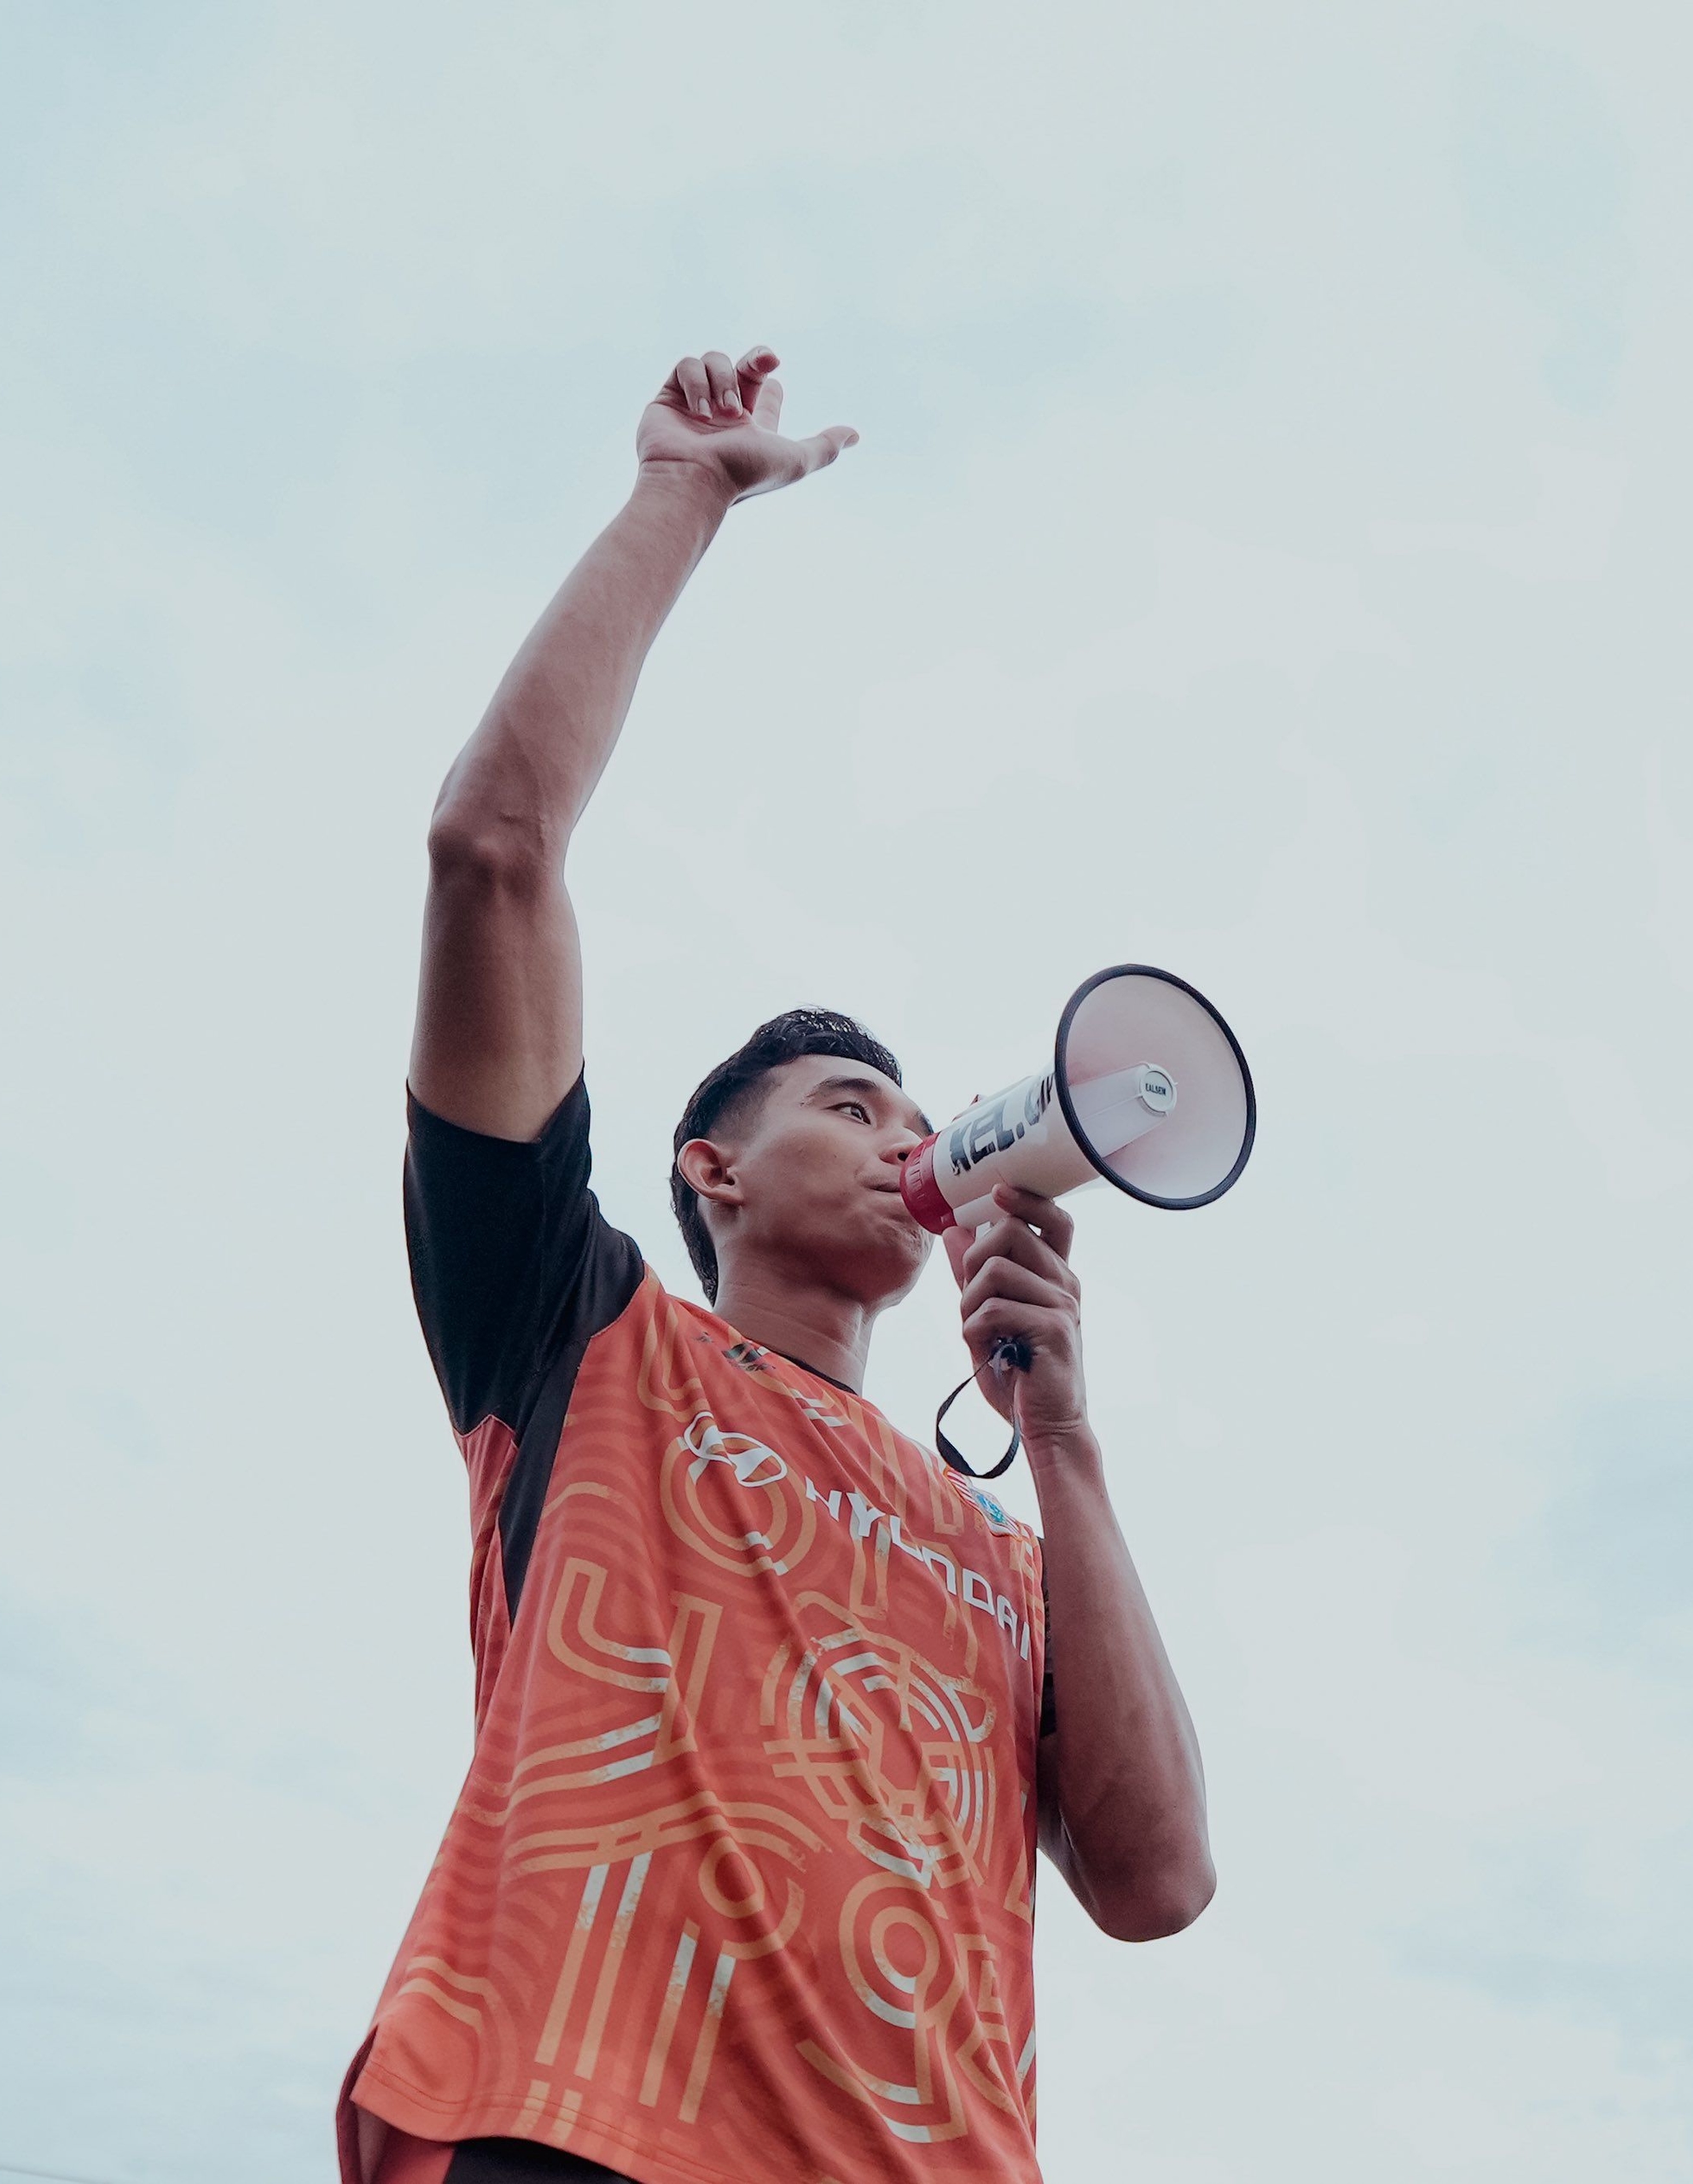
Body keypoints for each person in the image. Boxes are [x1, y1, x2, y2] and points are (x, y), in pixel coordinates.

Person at [338, 347, 1214, 2184]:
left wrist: (1062, 1442)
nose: (912, 1134)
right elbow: (489, 851)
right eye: (851, 1098)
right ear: (710, 1165)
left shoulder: (990, 1533)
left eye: (919, 1110)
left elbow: (1156, 1879)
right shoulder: (585, 1341)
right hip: (581, 2135)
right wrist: (692, 491)